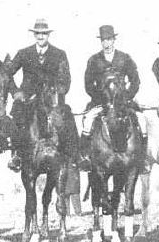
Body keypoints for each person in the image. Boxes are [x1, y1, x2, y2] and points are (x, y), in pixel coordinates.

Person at [8, 18, 73, 165]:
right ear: (34, 35)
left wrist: (57, 90)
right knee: (17, 115)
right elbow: (7, 73)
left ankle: (74, 156)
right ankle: (16, 154)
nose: (41, 37)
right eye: (38, 33)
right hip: (28, 99)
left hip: (51, 99)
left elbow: (66, 79)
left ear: (48, 35)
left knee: (67, 118)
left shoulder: (59, 54)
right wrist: (15, 92)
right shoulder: (24, 53)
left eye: (44, 34)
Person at [79, 24, 140, 162]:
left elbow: (135, 81)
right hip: (102, 101)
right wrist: (100, 98)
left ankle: (142, 159)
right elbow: (88, 84)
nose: (106, 43)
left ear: (114, 40)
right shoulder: (94, 60)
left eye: (109, 39)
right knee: (88, 120)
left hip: (122, 103)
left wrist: (127, 97)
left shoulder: (125, 58)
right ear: (101, 41)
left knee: (141, 120)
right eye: (103, 40)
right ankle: (84, 157)